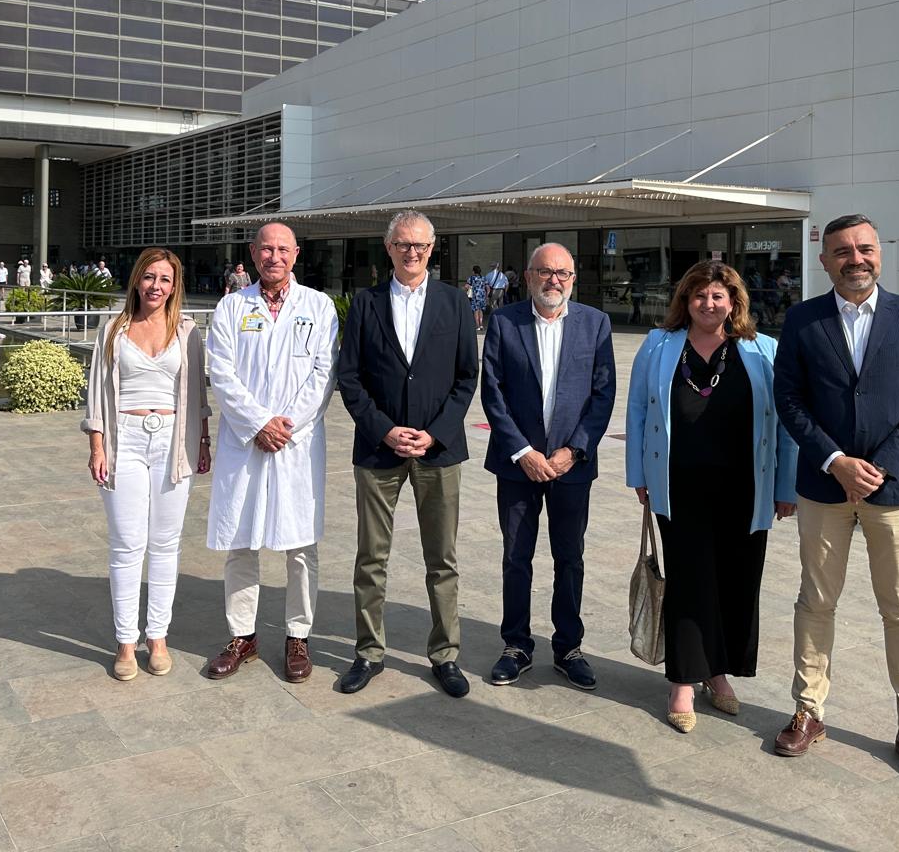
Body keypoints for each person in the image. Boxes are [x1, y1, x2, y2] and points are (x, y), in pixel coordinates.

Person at [772, 214, 899, 781]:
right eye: (843, 251)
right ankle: (808, 710)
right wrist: (835, 461)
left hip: (894, 491)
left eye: (865, 249)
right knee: (815, 602)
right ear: (824, 260)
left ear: (880, 254)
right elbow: (790, 400)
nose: (856, 259)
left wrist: (881, 466)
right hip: (824, 488)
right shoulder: (801, 320)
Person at [627, 261, 797, 731]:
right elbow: (639, 409)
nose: (708, 303)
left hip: (747, 487)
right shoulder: (660, 346)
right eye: (698, 294)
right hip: (679, 486)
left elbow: (784, 425)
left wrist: (786, 488)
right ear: (685, 300)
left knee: (736, 581)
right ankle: (683, 678)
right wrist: (638, 474)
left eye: (717, 295)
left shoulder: (763, 350)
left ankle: (718, 672)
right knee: (689, 579)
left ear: (733, 301)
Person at [336, 210, 479, 697]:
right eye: (402, 244)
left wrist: (434, 433)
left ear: (432, 248)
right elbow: (349, 378)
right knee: (371, 559)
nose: (411, 251)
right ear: (388, 247)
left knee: (443, 559)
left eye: (419, 244)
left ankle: (445, 654)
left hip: (438, 453)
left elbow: (466, 379)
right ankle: (368, 652)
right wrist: (384, 430)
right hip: (379, 452)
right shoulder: (365, 303)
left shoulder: (455, 303)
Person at [203, 223, 339, 684]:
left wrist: (287, 426)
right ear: (253, 253)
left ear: (296, 254)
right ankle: (243, 636)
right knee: (240, 542)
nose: (274, 256)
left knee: (300, 544)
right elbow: (220, 372)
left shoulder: (318, 307)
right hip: (246, 441)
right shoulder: (230, 307)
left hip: (296, 445)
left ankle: (298, 636)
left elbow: (324, 375)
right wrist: (258, 422)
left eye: (283, 249)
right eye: (266, 248)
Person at [480, 243, 615, 690]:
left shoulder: (595, 324)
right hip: (519, 464)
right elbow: (493, 394)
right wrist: (523, 451)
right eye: (544, 272)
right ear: (527, 275)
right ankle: (515, 645)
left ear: (573, 279)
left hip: (570, 468)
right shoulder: (504, 321)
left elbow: (602, 395)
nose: (553, 280)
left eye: (562, 273)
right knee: (516, 557)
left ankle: (568, 647)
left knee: (569, 557)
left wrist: (573, 451)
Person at [84, 247, 212, 681]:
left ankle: (157, 636)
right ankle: (125, 641)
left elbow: (198, 392)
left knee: (165, 545)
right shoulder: (113, 329)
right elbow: (98, 393)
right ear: (137, 280)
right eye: (149, 277)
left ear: (174, 286)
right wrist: (98, 446)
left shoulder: (187, 331)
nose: (156, 286)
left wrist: (204, 440)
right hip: (125, 441)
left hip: (174, 443)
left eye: (165, 279)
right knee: (126, 545)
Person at [466, 264, 489, 331]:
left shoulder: (472, 278)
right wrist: (486, 295)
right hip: (482, 296)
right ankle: (481, 325)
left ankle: (477, 326)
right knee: (481, 311)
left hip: (475, 296)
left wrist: (466, 289)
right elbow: (488, 288)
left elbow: (466, 286)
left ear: (474, 271)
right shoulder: (483, 278)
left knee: (476, 311)